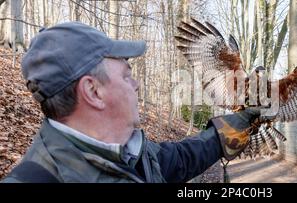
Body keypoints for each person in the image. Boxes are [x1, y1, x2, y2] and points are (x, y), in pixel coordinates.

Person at [0, 22, 261, 183]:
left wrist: (236, 124)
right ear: (93, 91)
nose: (136, 85)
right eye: (127, 75)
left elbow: (182, 159)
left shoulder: (130, 153)